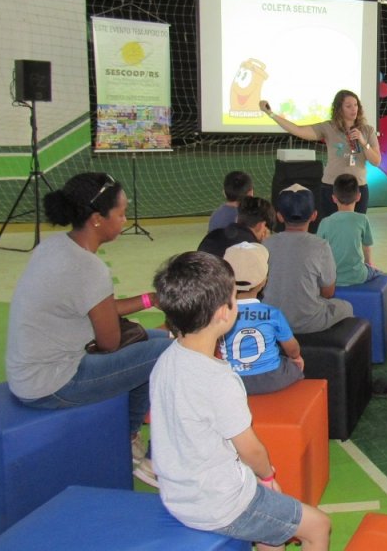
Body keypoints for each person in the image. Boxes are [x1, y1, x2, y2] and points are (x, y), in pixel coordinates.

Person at [151, 251, 330, 551]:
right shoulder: (219, 379)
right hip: (219, 503)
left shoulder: (166, 359)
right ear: (224, 312)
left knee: (273, 531)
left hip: (177, 493)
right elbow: (251, 450)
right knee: (319, 526)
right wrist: (268, 477)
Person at [5, 172, 172, 487]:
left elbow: (97, 306)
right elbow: (109, 342)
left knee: (157, 339)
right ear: (98, 219)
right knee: (166, 349)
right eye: (121, 214)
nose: (124, 220)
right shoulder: (89, 268)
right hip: (52, 384)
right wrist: (137, 334)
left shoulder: (55, 246)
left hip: (29, 374)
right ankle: (130, 438)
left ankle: (128, 433)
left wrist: (151, 300)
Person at [260, 90, 381, 220]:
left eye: (356, 105)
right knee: (331, 229)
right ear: (339, 109)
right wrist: (270, 114)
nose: (354, 109)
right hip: (331, 187)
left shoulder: (367, 130)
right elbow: (297, 130)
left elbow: (376, 161)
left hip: (358, 187)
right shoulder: (328, 127)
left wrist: (363, 142)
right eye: (348, 106)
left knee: (355, 229)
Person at [262, 184, 353, 334]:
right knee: (346, 307)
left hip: (272, 321)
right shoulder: (320, 245)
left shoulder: (266, 243)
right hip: (308, 323)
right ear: (314, 215)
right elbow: (328, 293)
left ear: (279, 216)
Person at [222, 242, 305, 395]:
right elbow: (292, 348)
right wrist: (296, 357)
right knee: (294, 366)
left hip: (231, 380)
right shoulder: (272, 313)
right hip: (271, 379)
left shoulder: (219, 314)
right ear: (263, 281)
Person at [317, 173, 381, 287]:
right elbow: (366, 248)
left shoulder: (325, 222)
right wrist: (368, 263)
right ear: (358, 196)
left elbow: (318, 251)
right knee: (379, 273)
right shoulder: (362, 219)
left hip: (331, 277)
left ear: (334, 198)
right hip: (358, 276)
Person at [198, 196, 274, 258]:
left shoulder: (214, 234)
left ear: (237, 218)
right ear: (261, 226)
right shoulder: (252, 250)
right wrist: (264, 248)